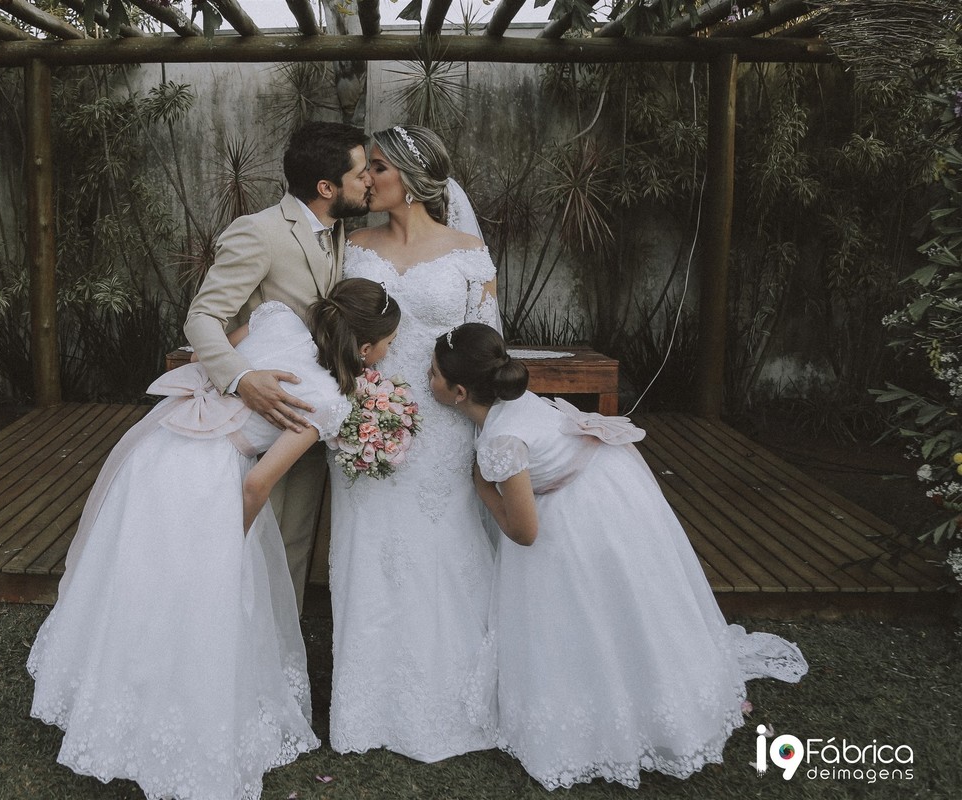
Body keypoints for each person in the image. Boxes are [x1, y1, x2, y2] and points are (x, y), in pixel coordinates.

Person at [27, 279, 400, 800]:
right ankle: (173, 718)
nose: (390, 351)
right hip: (205, 480)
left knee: (141, 583)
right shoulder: (327, 398)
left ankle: (119, 701)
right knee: (199, 601)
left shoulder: (276, 319)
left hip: (159, 449)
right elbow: (257, 483)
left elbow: (218, 359)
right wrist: (233, 539)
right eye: (389, 343)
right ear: (365, 349)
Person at [430, 323, 809, 789]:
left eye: (433, 374)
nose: (428, 379)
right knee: (623, 603)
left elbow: (526, 533)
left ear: (459, 391)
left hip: (582, 514)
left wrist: (482, 488)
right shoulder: (518, 402)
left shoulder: (500, 442)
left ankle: (628, 711)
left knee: (590, 607)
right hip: (612, 488)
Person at [327, 124, 501, 761]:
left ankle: (454, 699)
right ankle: (368, 710)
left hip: (443, 429)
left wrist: (475, 412)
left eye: (377, 167)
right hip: (363, 424)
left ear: (411, 176)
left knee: (441, 553)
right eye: (366, 168)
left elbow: (483, 347)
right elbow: (334, 335)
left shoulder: (467, 252)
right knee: (370, 554)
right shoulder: (349, 246)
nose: (366, 178)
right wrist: (358, 397)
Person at [185, 121, 372, 612]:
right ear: (326, 188)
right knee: (250, 545)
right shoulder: (259, 231)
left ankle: (278, 658)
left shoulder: (340, 232)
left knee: (292, 544)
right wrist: (242, 379)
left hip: (310, 417)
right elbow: (202, 318)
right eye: (360, 175)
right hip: (262, 417)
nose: (369, 180)